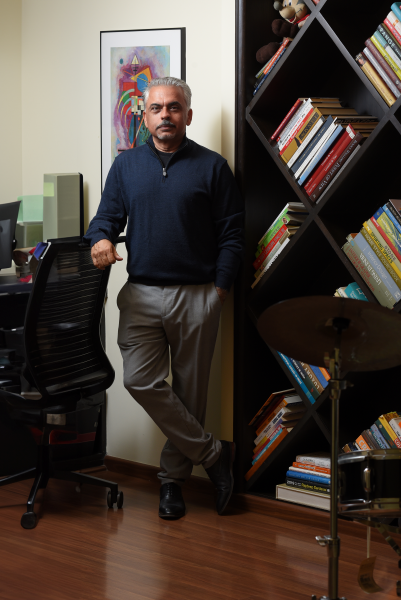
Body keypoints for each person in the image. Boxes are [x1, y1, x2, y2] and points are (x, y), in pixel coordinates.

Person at [84, 76, 244, 520]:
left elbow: (233, 235)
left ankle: (171, 483)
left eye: (174, 108)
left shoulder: (213, 167)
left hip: (198, 295)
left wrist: (220, 290)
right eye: (156, 108)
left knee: (191, 395)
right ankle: (215, 455)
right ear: (146, 116)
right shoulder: (127, 166)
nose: (165, 116)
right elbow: (105, 219)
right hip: (140, 295)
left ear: (187, 116)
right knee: (139, 380)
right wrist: (99, 239)